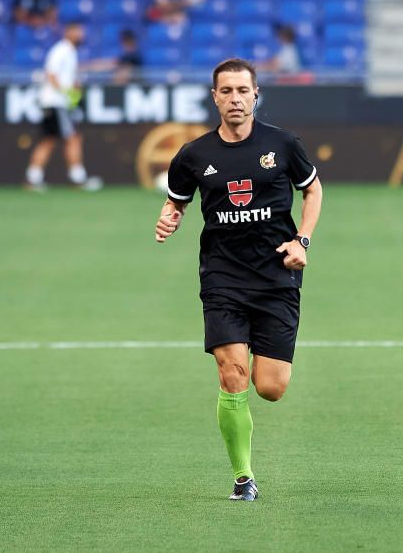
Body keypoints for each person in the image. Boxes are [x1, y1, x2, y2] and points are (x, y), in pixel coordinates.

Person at [154, 58, 323, 500]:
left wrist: (301, 241)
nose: (234, 99)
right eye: (225, 91)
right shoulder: (193, 155)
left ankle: (260, 380)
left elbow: (313, 188)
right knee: (233, 374)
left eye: (242, 91)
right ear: (214, 97)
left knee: (270, 387)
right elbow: (177, 202)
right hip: (222, 278)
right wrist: (168, 218)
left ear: (256, 94)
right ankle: (243, 478)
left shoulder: (284, 145)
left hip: (275, 276)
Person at [25, 21, 101, 191]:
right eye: (78, 31)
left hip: (53, 102)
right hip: (56, 102)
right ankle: (78, 178)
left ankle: (33, 178)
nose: (81, 35)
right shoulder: (62, 50)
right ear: (68, 32)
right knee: (73, 138)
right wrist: (67, 93)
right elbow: (51, 74)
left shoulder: (69, 51)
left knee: (48, 140)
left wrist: (74, 87)